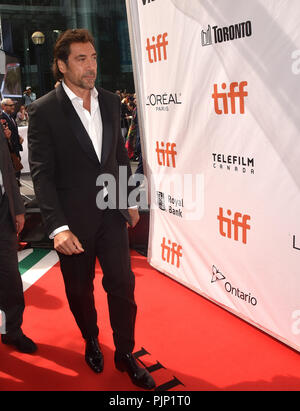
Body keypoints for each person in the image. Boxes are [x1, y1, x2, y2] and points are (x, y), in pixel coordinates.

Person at [28, 29, 155, 390]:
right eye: (81, 59)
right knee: (80, 291)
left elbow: (118, 156)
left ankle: (126, 352)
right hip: (73, 223)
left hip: (111, 214)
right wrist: (56, 227)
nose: (91, 66)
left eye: (94, 57)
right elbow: (42, 174)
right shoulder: (44, 111)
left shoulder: (113, 102)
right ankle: (89, 338)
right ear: (61, 65)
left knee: (123, 285)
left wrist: (129, 200)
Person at [0, 124, 37, 354]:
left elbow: (6, 167)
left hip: (3, 211)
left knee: (10, 276)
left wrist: (19, 209)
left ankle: (12, 331)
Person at [1, 99, 23, 186]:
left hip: (15, 149)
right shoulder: (2, 117)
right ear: (3, 106)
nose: (13, 107)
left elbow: (12, 132)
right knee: (12, 175)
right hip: (9, 150)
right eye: (10, 105)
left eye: (13, 105)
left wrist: (18, 138)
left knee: (16, 172)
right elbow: (5, 135)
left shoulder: (10, 116)